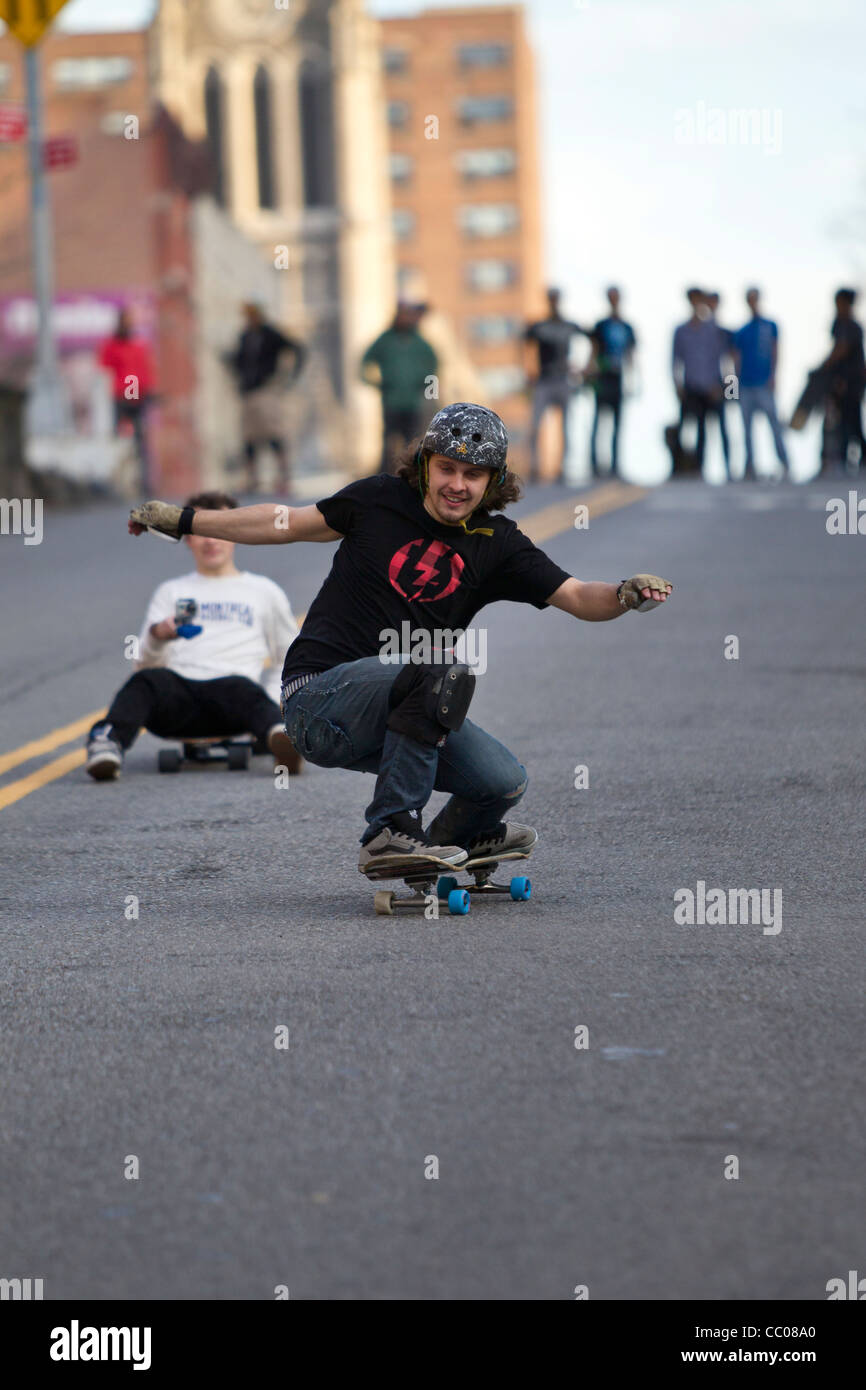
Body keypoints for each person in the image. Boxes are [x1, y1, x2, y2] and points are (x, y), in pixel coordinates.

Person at [128, 404, 673, 873]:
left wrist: (624, 593)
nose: (457, 485)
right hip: (319, 698)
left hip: (400, 713)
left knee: (502, 782)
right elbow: (281, 522)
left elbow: (578, 596)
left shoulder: (498, 544)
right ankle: (388, 832)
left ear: (493, 482)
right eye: (446, 468)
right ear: (424, 465)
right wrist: (187, 520)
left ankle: (449, 842)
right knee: (437, 670)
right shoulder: (378, 501)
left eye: (473, 475)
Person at [86, 490, 302, 780]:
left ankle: (279, 735)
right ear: (188, 537)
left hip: (235, 700)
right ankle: (107, 744)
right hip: (178, 702)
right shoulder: (171, 591)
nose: (211, 540)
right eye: (201, 531)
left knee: (242, 689)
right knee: (144, 682)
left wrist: (271, 699)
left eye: (219, 529)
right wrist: (158, 635)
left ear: (236, 533)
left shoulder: (264, 591)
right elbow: (144, 664)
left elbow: (288, 656)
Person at [227, 303, 306, 493]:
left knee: (273, 433)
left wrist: (290, 377)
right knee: (249, 437)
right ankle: (252, 479)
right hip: (248, 392)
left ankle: (284, 477)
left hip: (267, 390)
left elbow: (297, 349)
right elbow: (240, 362)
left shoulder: (270, 334)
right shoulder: (245, 336)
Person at [791, 289, 865, 474]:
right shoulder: (840, 324)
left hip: (851, 384)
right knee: (834, 422)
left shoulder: (851, 327)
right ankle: (832, 461)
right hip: (838, 384)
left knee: (852, 424)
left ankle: (851, 461)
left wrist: (823, 368)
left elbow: (841, 350)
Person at [361, 301, 438, 474]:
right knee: (389, 440)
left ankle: (411, 474)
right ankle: (384, 474)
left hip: (413, 403)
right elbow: (365, 362)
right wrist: (374, 382)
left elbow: (433, 365)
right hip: (391, 402)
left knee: (412, 441)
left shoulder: (419, 342)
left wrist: (428, 391)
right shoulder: (385, 340)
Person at [524, 289, 586, 483]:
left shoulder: (569, 326)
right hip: (544, 380)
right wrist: (529, 370)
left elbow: (590, 339)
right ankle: (535, 466)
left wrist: (584, 367)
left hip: (563, 380)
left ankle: (564, 466)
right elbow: (524, 345)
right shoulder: (540, 327)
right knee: (535, 424)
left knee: (566, 426)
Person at [671, 289, 732, 479]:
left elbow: (729, 359)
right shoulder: (681, 330)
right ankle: (692, 468)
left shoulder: (714, 330)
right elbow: (674, 361)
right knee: (694, 428)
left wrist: (729, 391)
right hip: (691, 388)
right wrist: (677, 385)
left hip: (714, 388)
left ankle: (730, 469)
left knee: (722, 428)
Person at [731, 288, 789, 479]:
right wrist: (733, 389)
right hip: (746, 384)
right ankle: (750, 466)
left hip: (764, 383)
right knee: (746, 428)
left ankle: (785, 463)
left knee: (775, 425)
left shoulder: (770, 326)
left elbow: (775, 351)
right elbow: (734, 360)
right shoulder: (741, 331)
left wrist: (774, 376)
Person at [98, 307, 157, 492]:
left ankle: (143, 482)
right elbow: (104, 370)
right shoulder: (111, 346)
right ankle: (118, 482)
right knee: (120, 440)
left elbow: (144, 370)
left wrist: (148, 390)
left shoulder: (138, 346)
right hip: (121, 397)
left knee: (140, 441)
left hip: (136, 397)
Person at [587, 287, 637, 478]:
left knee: (617, 424)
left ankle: (615, 465)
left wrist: (632, 379)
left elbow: (631, 354)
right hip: (602, 377)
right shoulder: (601, 325)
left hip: (618, 378)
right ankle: (595, 464)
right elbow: (594, 349)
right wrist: (591, 371)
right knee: (598, 422)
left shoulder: (627, 327)